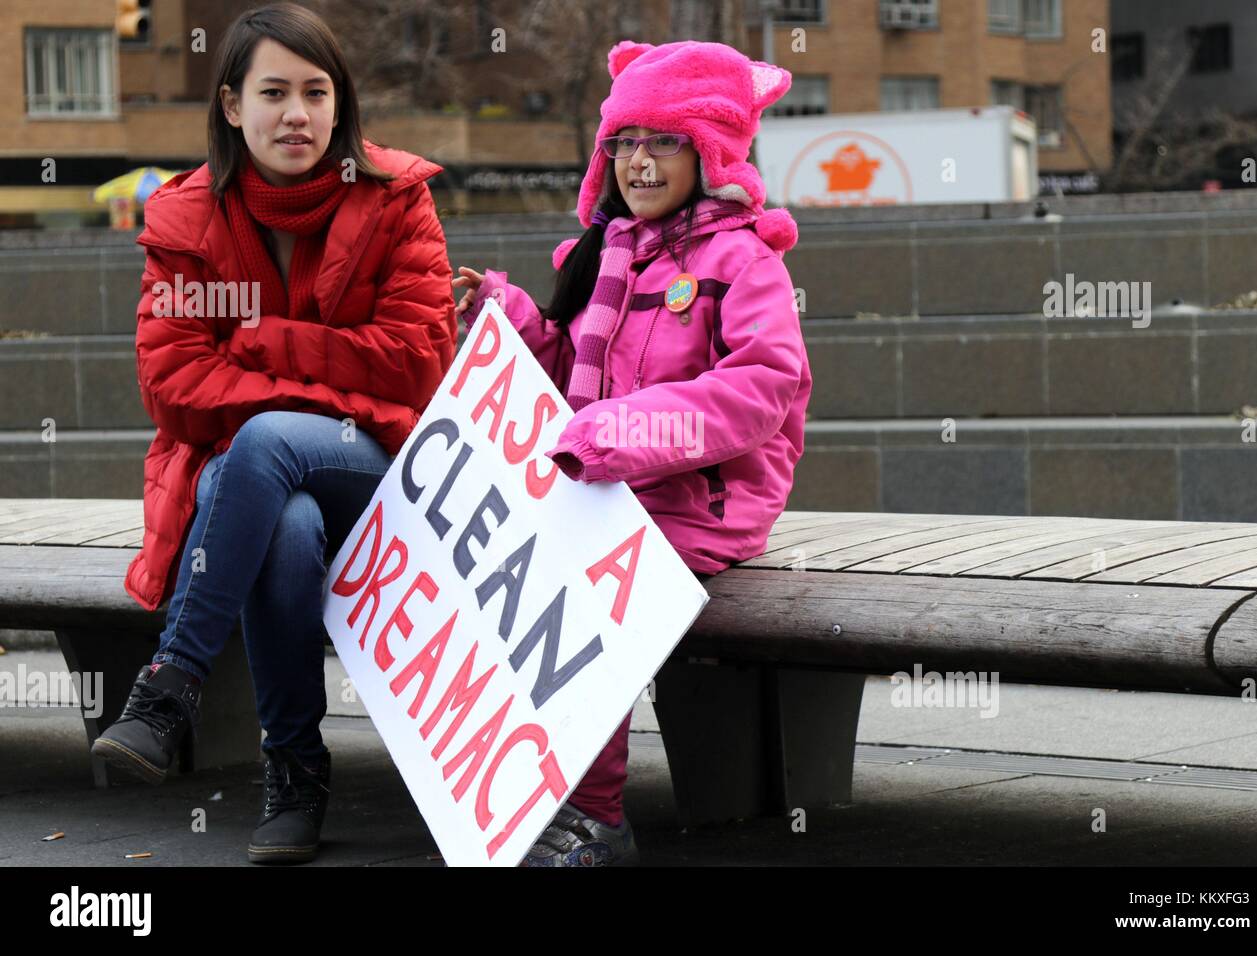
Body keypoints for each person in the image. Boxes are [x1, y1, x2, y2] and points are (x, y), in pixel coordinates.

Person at [94, 2, 456, 864]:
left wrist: (258, 343)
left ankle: (170, 686)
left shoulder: (399, 198)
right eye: (273, 92)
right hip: (245, 485)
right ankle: (295, 769)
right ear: (231, 106)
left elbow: (415, 360)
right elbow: (174, 382)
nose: (297, 114)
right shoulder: (185, 222)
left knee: (264, 442)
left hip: (378, 467)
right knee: (281, 517)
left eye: (316, 92)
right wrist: (323, 378)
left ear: (340, 105)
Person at [452, 39, 812, 866]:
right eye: (623, 143)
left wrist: (618, 433)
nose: (638, 163)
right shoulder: (605, 252)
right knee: (501, 569)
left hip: (704, 506)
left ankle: (597, 816)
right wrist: (502, 316)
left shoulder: (743, 259)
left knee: (576, 588)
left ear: (710, 150)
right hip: (611, 488)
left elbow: (760, 390)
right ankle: (519, 790)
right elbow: (567, 370)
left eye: (663, 142)